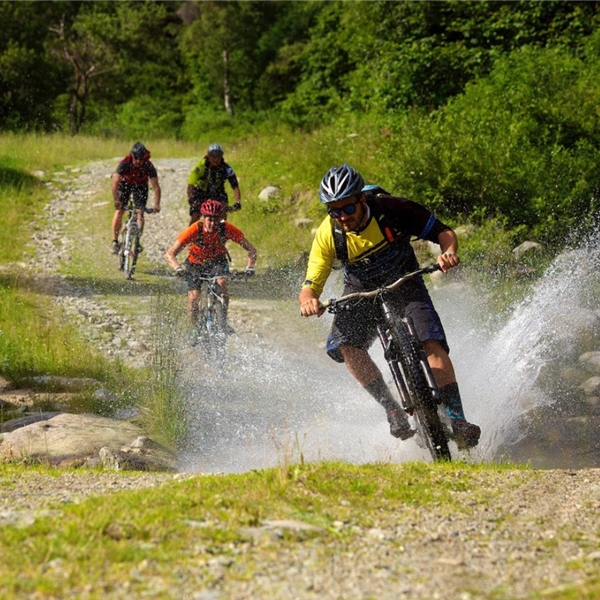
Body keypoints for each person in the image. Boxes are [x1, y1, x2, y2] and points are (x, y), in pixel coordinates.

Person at [298, 164, 480, 449]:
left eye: (347, 209)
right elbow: (310, 284)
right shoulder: (328, 234)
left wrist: (448, 253)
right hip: (360, 290)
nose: (342, 217)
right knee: (346, 345)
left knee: (430, 341)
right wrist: (309, 300)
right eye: (334, 211)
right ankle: (391, 408)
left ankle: (458, 418)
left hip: (405, 280)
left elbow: (443, 232)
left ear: (361, 199)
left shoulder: (392, 209)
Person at [164, 199, 257, 336]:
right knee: (194, 297)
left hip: (217, 261)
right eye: (209, 219)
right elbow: (170, 253)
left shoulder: (226, 228)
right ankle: (194, 328)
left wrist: (250, 267)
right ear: (203, 217)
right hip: (195, 263)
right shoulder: (195, 229)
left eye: (216, 219)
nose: (212, 223)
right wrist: (178, 268)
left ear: (221, 218)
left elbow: (251, 249)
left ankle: (222, 321)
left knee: (222, 283)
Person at [110, 142, 161, 254]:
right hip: (125, 184)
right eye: (136, 158)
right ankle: (114, 241)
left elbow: (156, 187)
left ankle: (136, 241)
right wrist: (116, 200)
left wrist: (157, 204)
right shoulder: (125, 163)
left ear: (144, 158)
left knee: (140, 213)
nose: (138, 161)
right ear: (132, 156)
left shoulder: (148, 165)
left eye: (141, 159)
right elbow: (115, 183)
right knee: (120, 211)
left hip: (141, 186)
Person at [187, 143, 242, 224]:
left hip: (218, 191)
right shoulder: (200, 167)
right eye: (213, 156)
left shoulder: (226, 168)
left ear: (222, 157)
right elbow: (190, 186)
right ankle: (190, 235)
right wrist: (192, 200)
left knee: (222, 212)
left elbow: (235, 187)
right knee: (195, 215)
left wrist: (237, 202)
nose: (216, 159)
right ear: (208, 156)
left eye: (218, 156)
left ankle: (222, 233)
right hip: (200, 191)